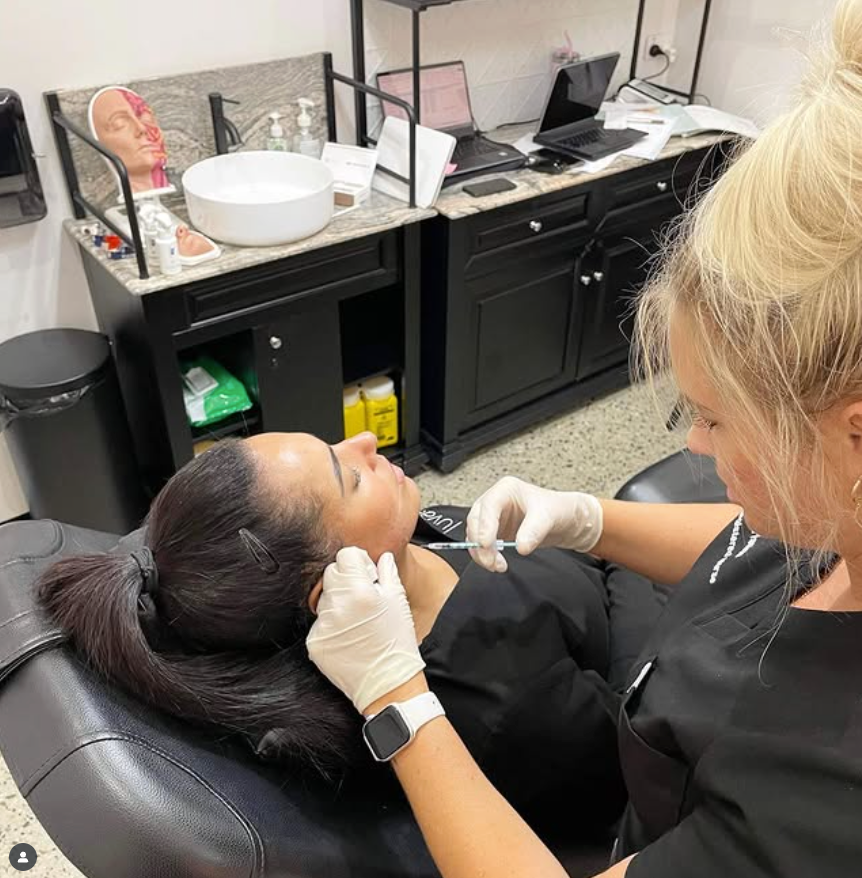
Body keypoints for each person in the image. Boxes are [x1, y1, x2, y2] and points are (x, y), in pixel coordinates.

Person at [305, 2, 862, 876]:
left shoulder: (829, 800)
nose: (700, 453)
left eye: (714, 417)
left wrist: (396, 703)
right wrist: (589, 518)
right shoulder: (833, 521)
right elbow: (755, 553)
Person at [38, 430, 652, 835]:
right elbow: (643, 741)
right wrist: (622, 550)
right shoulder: (504, 699)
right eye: (351, 478)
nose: (366, 441)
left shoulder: (410, 537)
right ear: (332, 587)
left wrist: (594, 525)